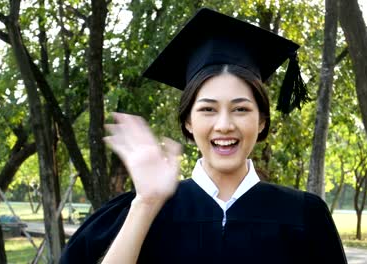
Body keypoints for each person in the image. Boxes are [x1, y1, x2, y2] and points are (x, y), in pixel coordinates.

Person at [60, 8, 347, 264]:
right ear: (188, 121)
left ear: (261, 121)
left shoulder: (304, 216)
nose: (224, 125)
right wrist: (146, 204)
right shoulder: (143, 209)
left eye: (241, 109)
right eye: (208, 109)